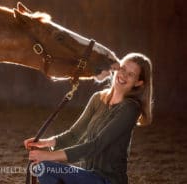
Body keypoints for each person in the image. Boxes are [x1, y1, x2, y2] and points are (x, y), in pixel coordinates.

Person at [24, 53, 153, 184]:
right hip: (87, 175)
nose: (123, 75)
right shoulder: (97, 98)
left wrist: (49, 156)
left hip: (108, 180)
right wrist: (45, 143)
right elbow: (74, 135)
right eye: (123, 69)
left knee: (45, 167)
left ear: (138, 82)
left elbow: (97, 145)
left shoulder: (130, 109)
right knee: (44, 168)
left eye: (131, 74)